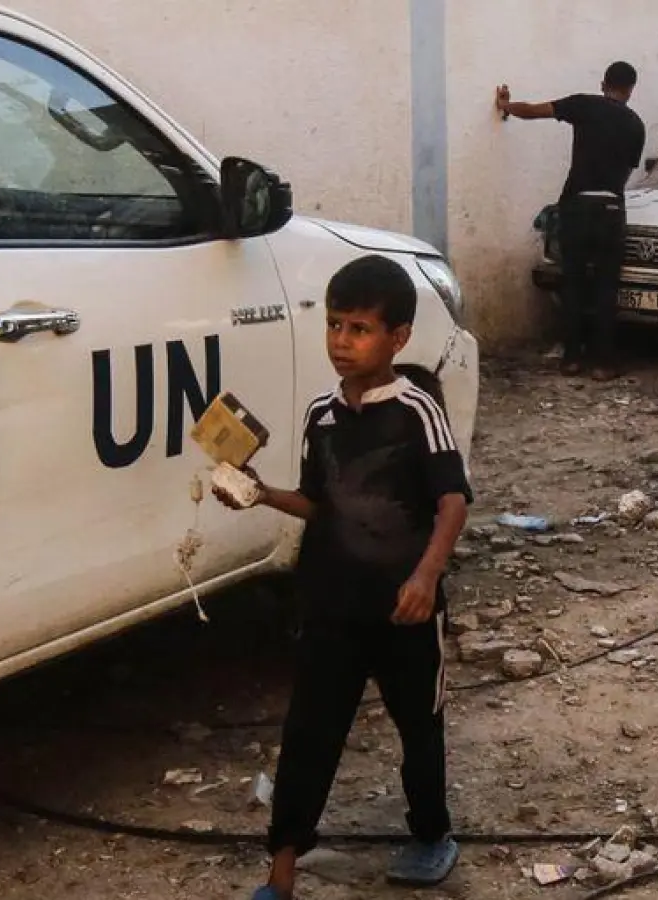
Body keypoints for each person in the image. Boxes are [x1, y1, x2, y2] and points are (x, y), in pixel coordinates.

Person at [216, 255, 472, 900]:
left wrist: (425, 577)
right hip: (332, 604)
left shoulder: (417, 409)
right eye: (334, 325)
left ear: (398, 338)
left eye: (359, 328)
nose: (341, 342)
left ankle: (431, 834)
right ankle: (281, 872)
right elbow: (316, 503)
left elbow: (453, 499)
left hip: (405, 606)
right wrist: (261, 494)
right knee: (309, 732)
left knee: (419, 725)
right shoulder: (320, 415)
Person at [496, 62, 646, 380]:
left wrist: (506, 105)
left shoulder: (584, 105)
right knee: (606, 286)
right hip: (611, 209)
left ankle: (572, 358)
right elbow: (624, 173)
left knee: (573, 282)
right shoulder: (636, 124)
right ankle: (604, 363)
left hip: (577, 206)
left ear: (603, 83)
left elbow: (534, 111)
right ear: (631, 89)